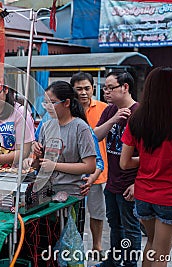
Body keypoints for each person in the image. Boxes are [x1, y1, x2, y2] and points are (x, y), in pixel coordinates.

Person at [120, 67, 172, 267]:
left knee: (151, 243)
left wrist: (149, 160)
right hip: (169, 195)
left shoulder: (136, 119)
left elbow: (125, 163)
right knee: (162, 254)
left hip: (143, 194)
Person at [25, 81, 96, 234]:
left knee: (68, 248)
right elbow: (39, 165)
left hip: (71, 197)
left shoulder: (80, 127)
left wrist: (55, 166)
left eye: (53, 103)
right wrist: (37, 156)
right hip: (45, 196)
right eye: (45, 103)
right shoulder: (46, 126)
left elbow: (90, 166)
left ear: (67, 103)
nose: (48, 107)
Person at [94, 70, 141, 267]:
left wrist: (137, 183)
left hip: (130, 182)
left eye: (111, 87)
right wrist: (113, 119)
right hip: (112, 180)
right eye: (104, 88)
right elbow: (95, 136)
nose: (106, 92)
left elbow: (149, 155)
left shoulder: (140, 112)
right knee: (115, 224)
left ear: (125, 87)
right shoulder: (110, 110)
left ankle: (129, 264)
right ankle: (113, 261)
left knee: (130, 228)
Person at [71, 72, 108, 256]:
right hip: (71, 173)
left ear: (93, 88)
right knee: (74, 213)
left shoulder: (104, 108)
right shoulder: (68, 109)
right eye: (79, 89)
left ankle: (97, 246)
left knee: (97, 212)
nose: (84, 92)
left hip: (97, 172)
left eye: (87, 88)